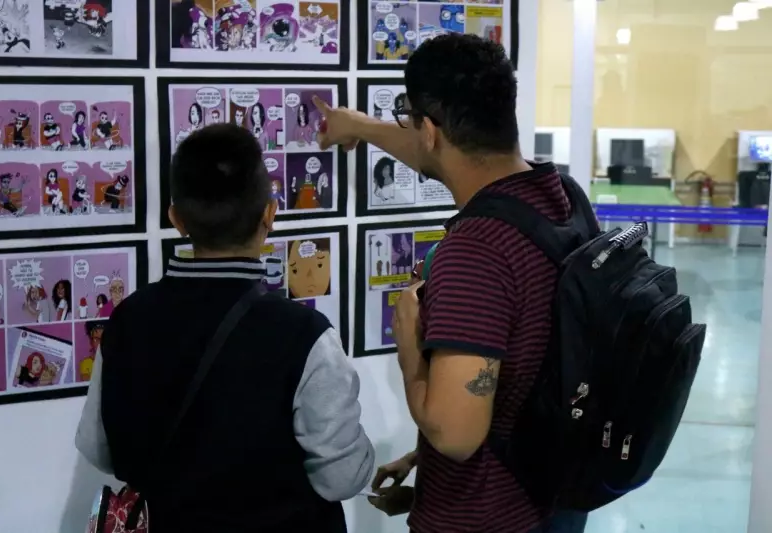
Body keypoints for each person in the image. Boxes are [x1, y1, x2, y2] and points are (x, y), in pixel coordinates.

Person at [314, 34, 589, 533]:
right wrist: (356, 125)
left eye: (409, 119)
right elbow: (525, 366)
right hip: (552, 497)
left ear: (429, 130)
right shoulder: (561, 198)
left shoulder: (476, 250)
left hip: (485, 517)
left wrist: (408, 348)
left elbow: (456, 436)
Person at [75, 123, 374, 532]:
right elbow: (342, 478)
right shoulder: (305, 333)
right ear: (269, 214)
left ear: (177, 219)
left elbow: (98, 449)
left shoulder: (127, 318)